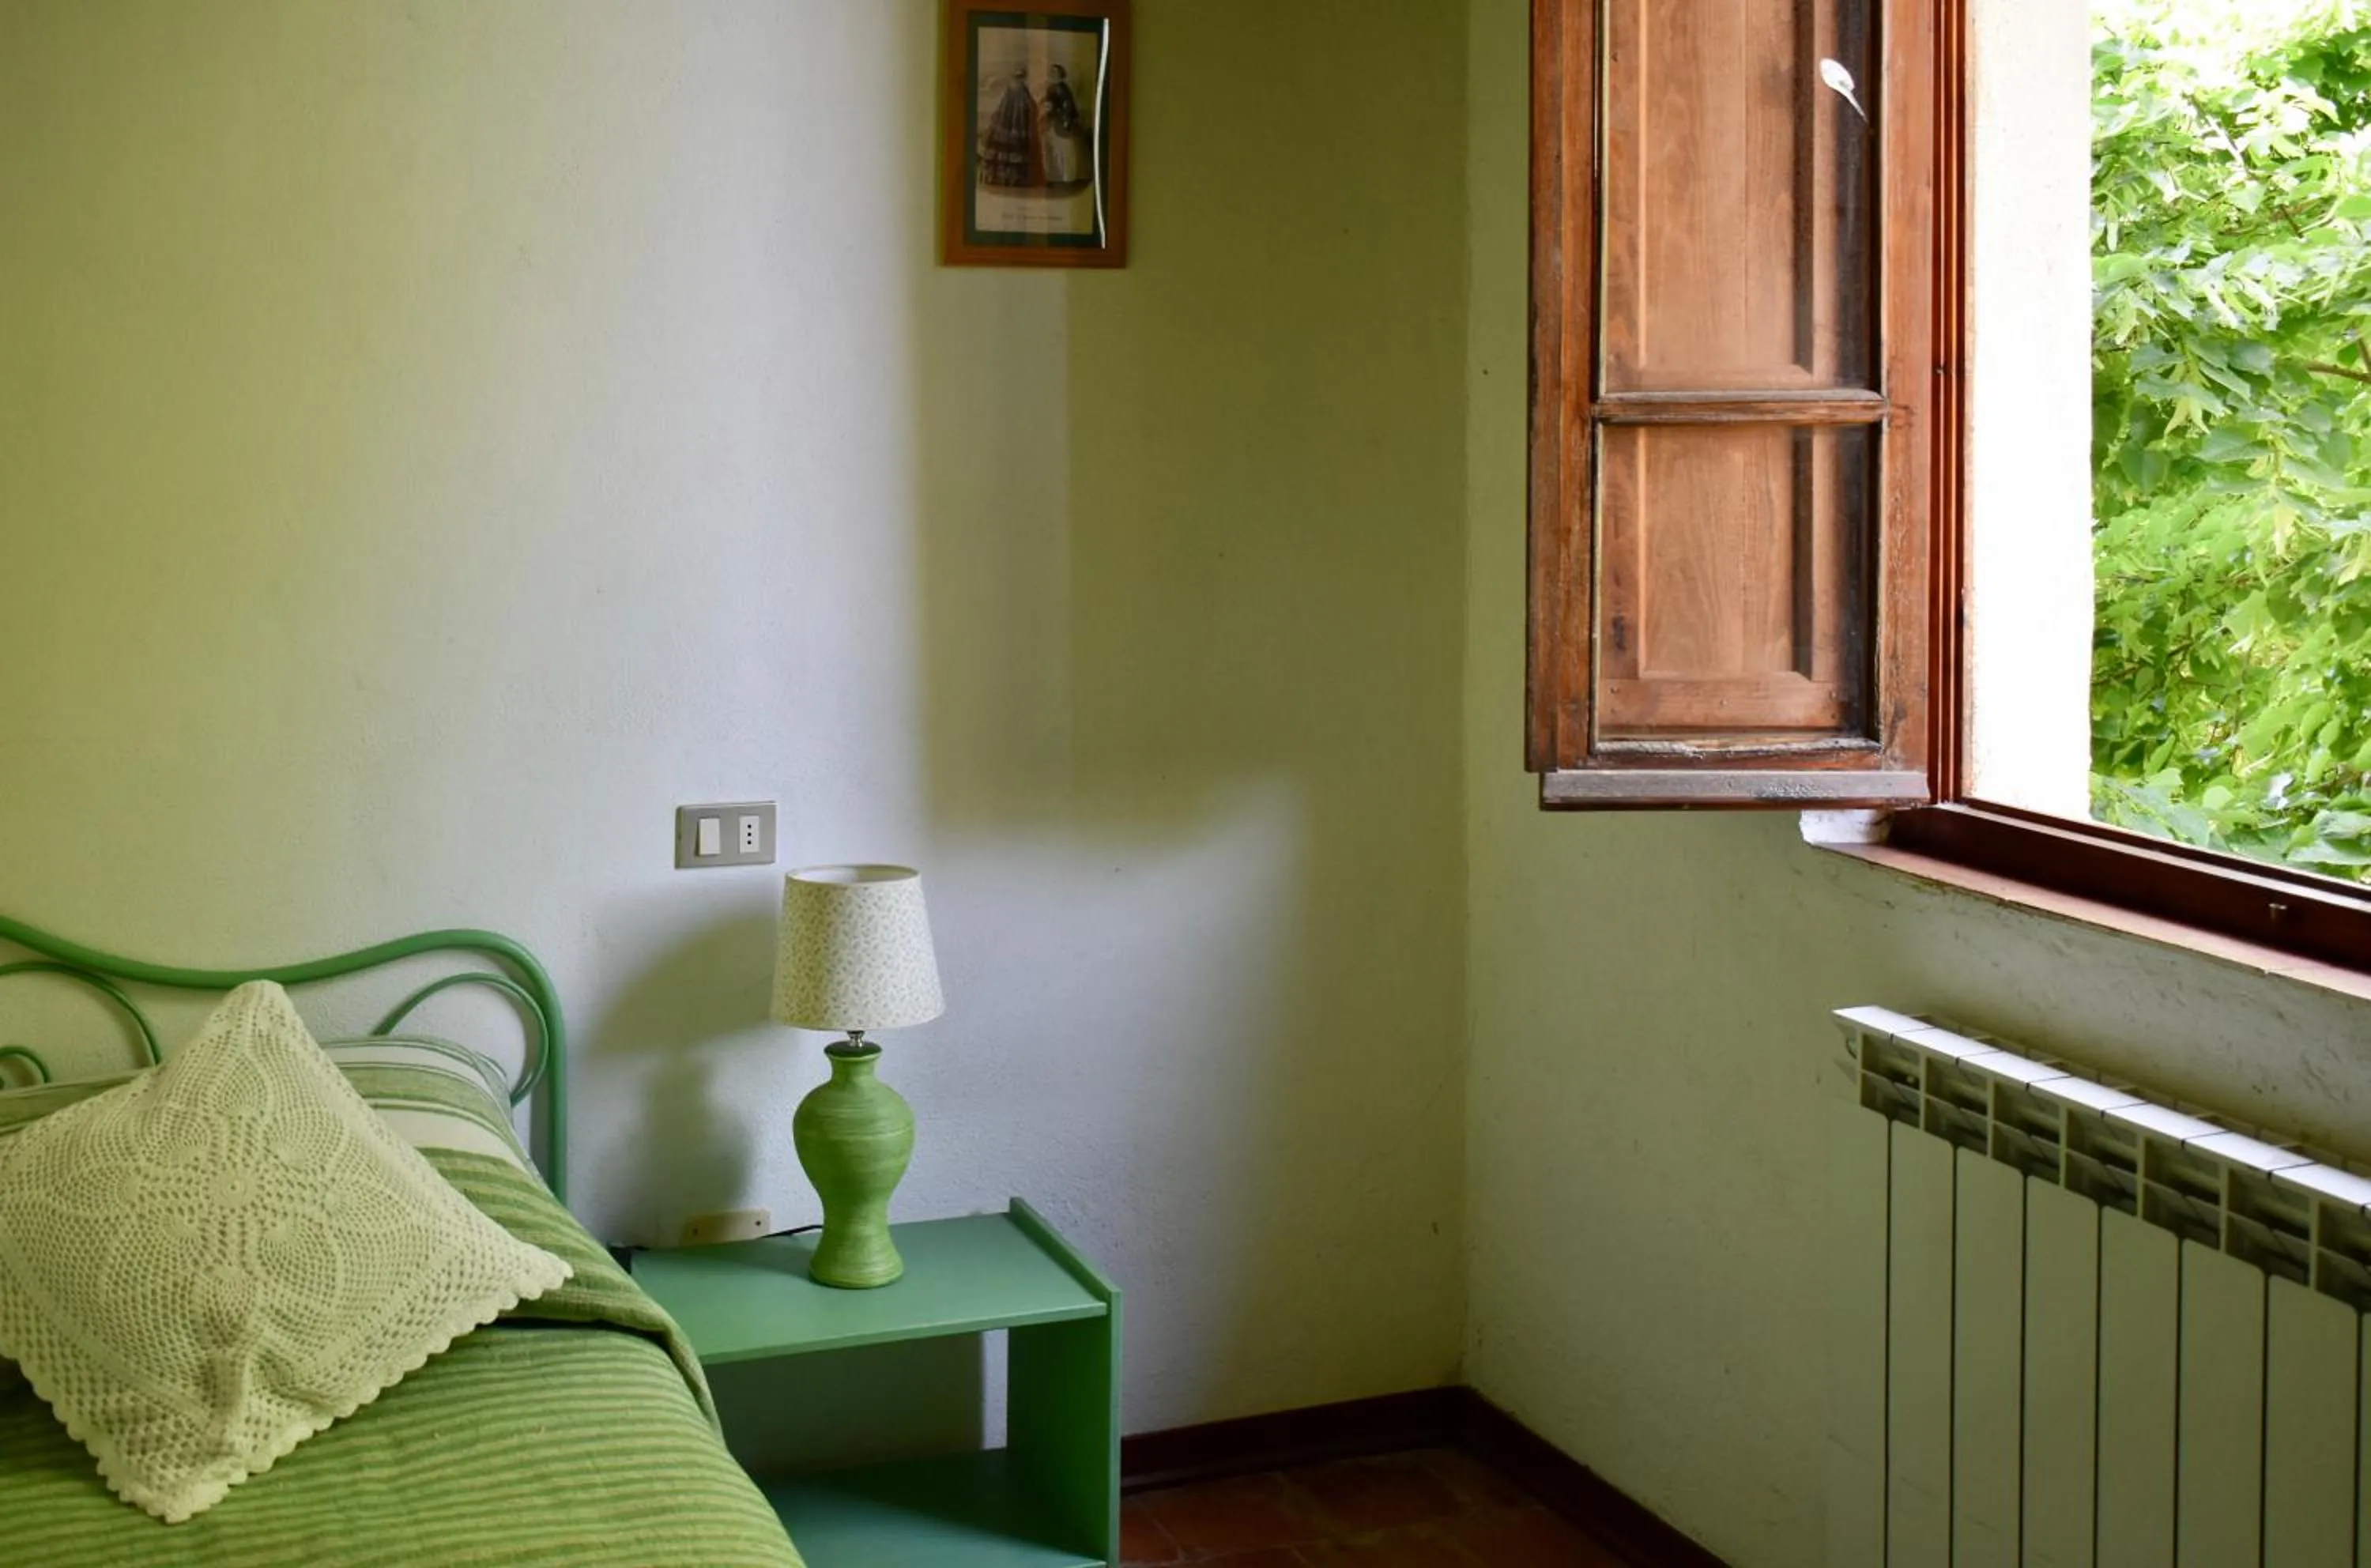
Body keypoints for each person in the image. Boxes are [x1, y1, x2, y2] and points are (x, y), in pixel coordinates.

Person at [980, 66, 1043, 188]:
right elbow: (1009, 106)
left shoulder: (1018, 90)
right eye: (1018, 77)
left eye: (1020, 77)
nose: (1019, 80)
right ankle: (1006, 179)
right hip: (1011, 124)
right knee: (1008, 151)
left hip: (1016, 124)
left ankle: (1011, 179)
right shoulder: (1017, 90)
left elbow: (1028, 107)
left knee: (1013, 151)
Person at [1040, 64, 1088, 187]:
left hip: (1061, 123)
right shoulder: (1051, 87)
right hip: (1052, 123)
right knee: (1051, 149)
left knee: (1064, 149)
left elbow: (1068, 107)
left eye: (1055, 72)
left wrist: (1066, 121)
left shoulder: (1063, 89)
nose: (1053, 74)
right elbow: (1046, 103)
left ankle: (1065, 177)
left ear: (1060, 74)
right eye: (1052, 72)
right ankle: (1053, 177)